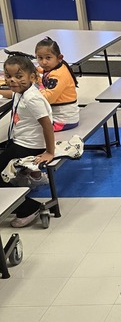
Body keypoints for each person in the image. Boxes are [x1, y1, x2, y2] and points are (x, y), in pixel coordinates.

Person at [0, 52, 55, 228]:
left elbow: (47, 124)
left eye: (18, 76)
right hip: (20, 140)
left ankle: (29, 208)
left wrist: (49, 152)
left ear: (32, 77)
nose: (12, 81)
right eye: (8, 76)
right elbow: (11, 93)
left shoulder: (32, 98)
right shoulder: (21, 90)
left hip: (29, 146)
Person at [35, 37, 79, 130]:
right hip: (62, 116)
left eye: (48, 58)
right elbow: (46, 72)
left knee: (28, 127)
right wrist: (35, 70)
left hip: (63, 120)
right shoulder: (58, 67)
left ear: (59, 58)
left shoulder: (58, 75)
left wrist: (37, 82)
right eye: (40, 58)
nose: (43, 62)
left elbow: (48, 99)